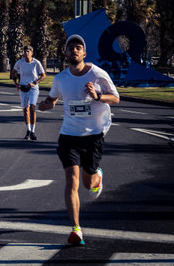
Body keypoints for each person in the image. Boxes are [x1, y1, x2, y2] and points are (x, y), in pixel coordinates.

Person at [38, 34, 120, 246]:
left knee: (87, 182)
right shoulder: (60, 79)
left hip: (93, 135)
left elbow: (116, 98)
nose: (74, 50)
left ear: (84, 53)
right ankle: (76, 229)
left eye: (78, 47)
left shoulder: (97, 74)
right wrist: (46, 105)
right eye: (70, 47)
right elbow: (53, 99)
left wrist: (97, 97)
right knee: (72, 181)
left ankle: (96, 177)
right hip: (69, 136)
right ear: (65, 53)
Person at [12, 45, 46, 141]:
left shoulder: (36, 63)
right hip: (23, 88)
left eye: (28, 51)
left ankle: (33, 132)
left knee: (32, 107)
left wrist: (34, 82)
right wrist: (16, 84)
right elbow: (13, 72)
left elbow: (43, 76)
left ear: (32, 53)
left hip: (33, 88)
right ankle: (28, 130)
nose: (26, 53)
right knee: (25, 110)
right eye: (25, 51)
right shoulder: (20, 62)